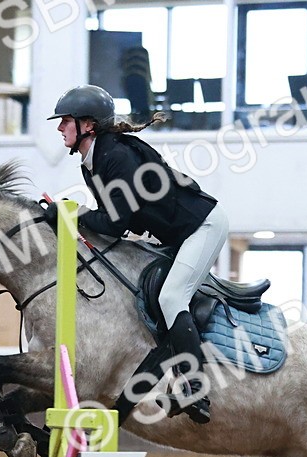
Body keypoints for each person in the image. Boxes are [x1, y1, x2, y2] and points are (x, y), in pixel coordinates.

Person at [44, 85, 227, 424]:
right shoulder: (92, 162)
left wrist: (68, 213)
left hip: (202, 227)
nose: (59, 128)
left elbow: (113, 222)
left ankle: (196, 390)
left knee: (172, 298)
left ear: (88, 125)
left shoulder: (116, 156)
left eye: (65, 121)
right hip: (174, 235)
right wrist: (67, 213)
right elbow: (113, 220)